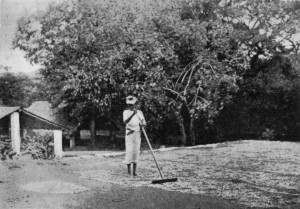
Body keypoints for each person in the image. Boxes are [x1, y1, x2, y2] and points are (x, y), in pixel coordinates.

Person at [123, 95, 146, 176]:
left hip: (137, 133)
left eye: (132, 105)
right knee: (129, 151)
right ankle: (129, 172)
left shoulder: (139, 112)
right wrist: (133, 114)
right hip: (129, 134)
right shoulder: (126, 112)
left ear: (135, 104)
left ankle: (134, 172)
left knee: (136, 151)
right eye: (129, 105)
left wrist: (143, 124)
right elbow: (125, 122)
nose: (131, 106)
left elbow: (143, 122)